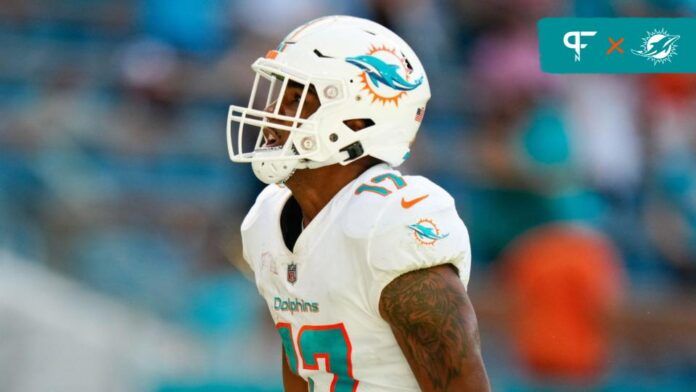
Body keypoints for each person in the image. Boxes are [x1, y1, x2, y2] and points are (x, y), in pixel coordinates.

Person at [227, 15, 490, 391]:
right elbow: (303, 367)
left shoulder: (390, 223)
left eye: (294, 98)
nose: (270, 115)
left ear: (355, 121)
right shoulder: (269, 219)